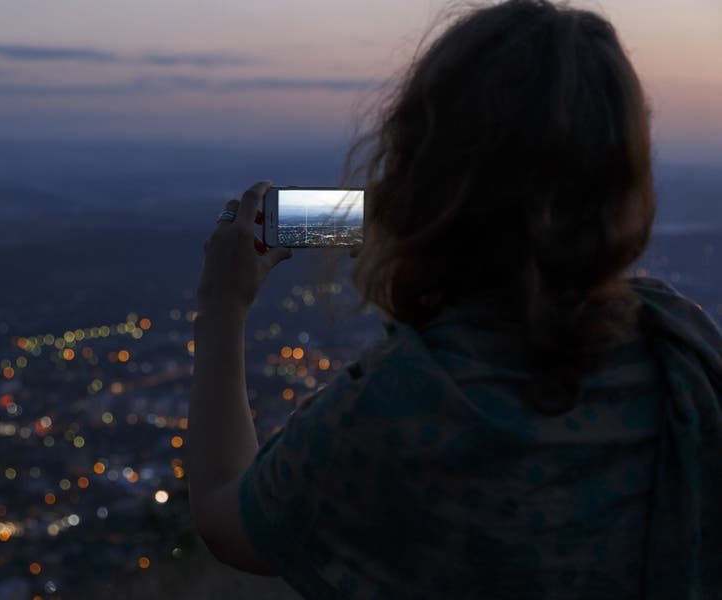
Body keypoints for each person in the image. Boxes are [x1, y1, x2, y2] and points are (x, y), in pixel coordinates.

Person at [187, 0, 722, 597]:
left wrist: (222, 307)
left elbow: (221, 513)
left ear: (418, 172)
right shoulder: (687, 360)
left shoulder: (394, 412)